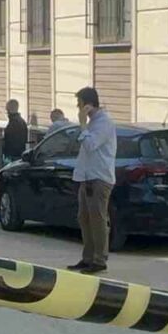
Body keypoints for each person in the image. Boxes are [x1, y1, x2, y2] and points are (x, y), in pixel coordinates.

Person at [68, 88, 117, 274]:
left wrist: (82, 125)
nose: (78, 108)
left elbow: (91, 145)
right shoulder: (93, 122)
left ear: (88, 105)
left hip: (99, 178)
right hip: (87, 178)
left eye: (79, 104)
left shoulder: (104, 122)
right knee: (84, 218)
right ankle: (87, 257)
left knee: (97, 219)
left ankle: (99, 260)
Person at [1, 99, 28, 166]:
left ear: (9, 109)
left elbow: (9, 139)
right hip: (20, 153)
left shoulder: (13, 123)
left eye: (7, 110)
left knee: (8, 170)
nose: (6, 112)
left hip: (12, 155)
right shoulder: (22, 121)